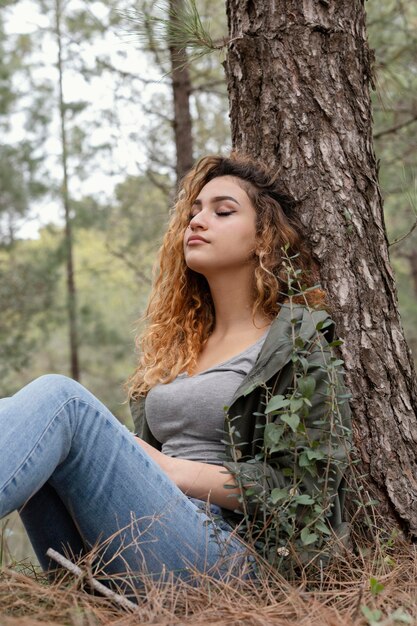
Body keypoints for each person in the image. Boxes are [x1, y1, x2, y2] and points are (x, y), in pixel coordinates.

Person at [0, 152, 351, 597]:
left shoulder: (295, 341)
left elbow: (306, 493)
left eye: (222, 211)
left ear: (263, 239)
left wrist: (170, 469)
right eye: (194, 211)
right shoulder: (180, 345)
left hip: (228, 557)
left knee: (62, 401)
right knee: (19, 418)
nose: (198, 221)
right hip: (144, 542)